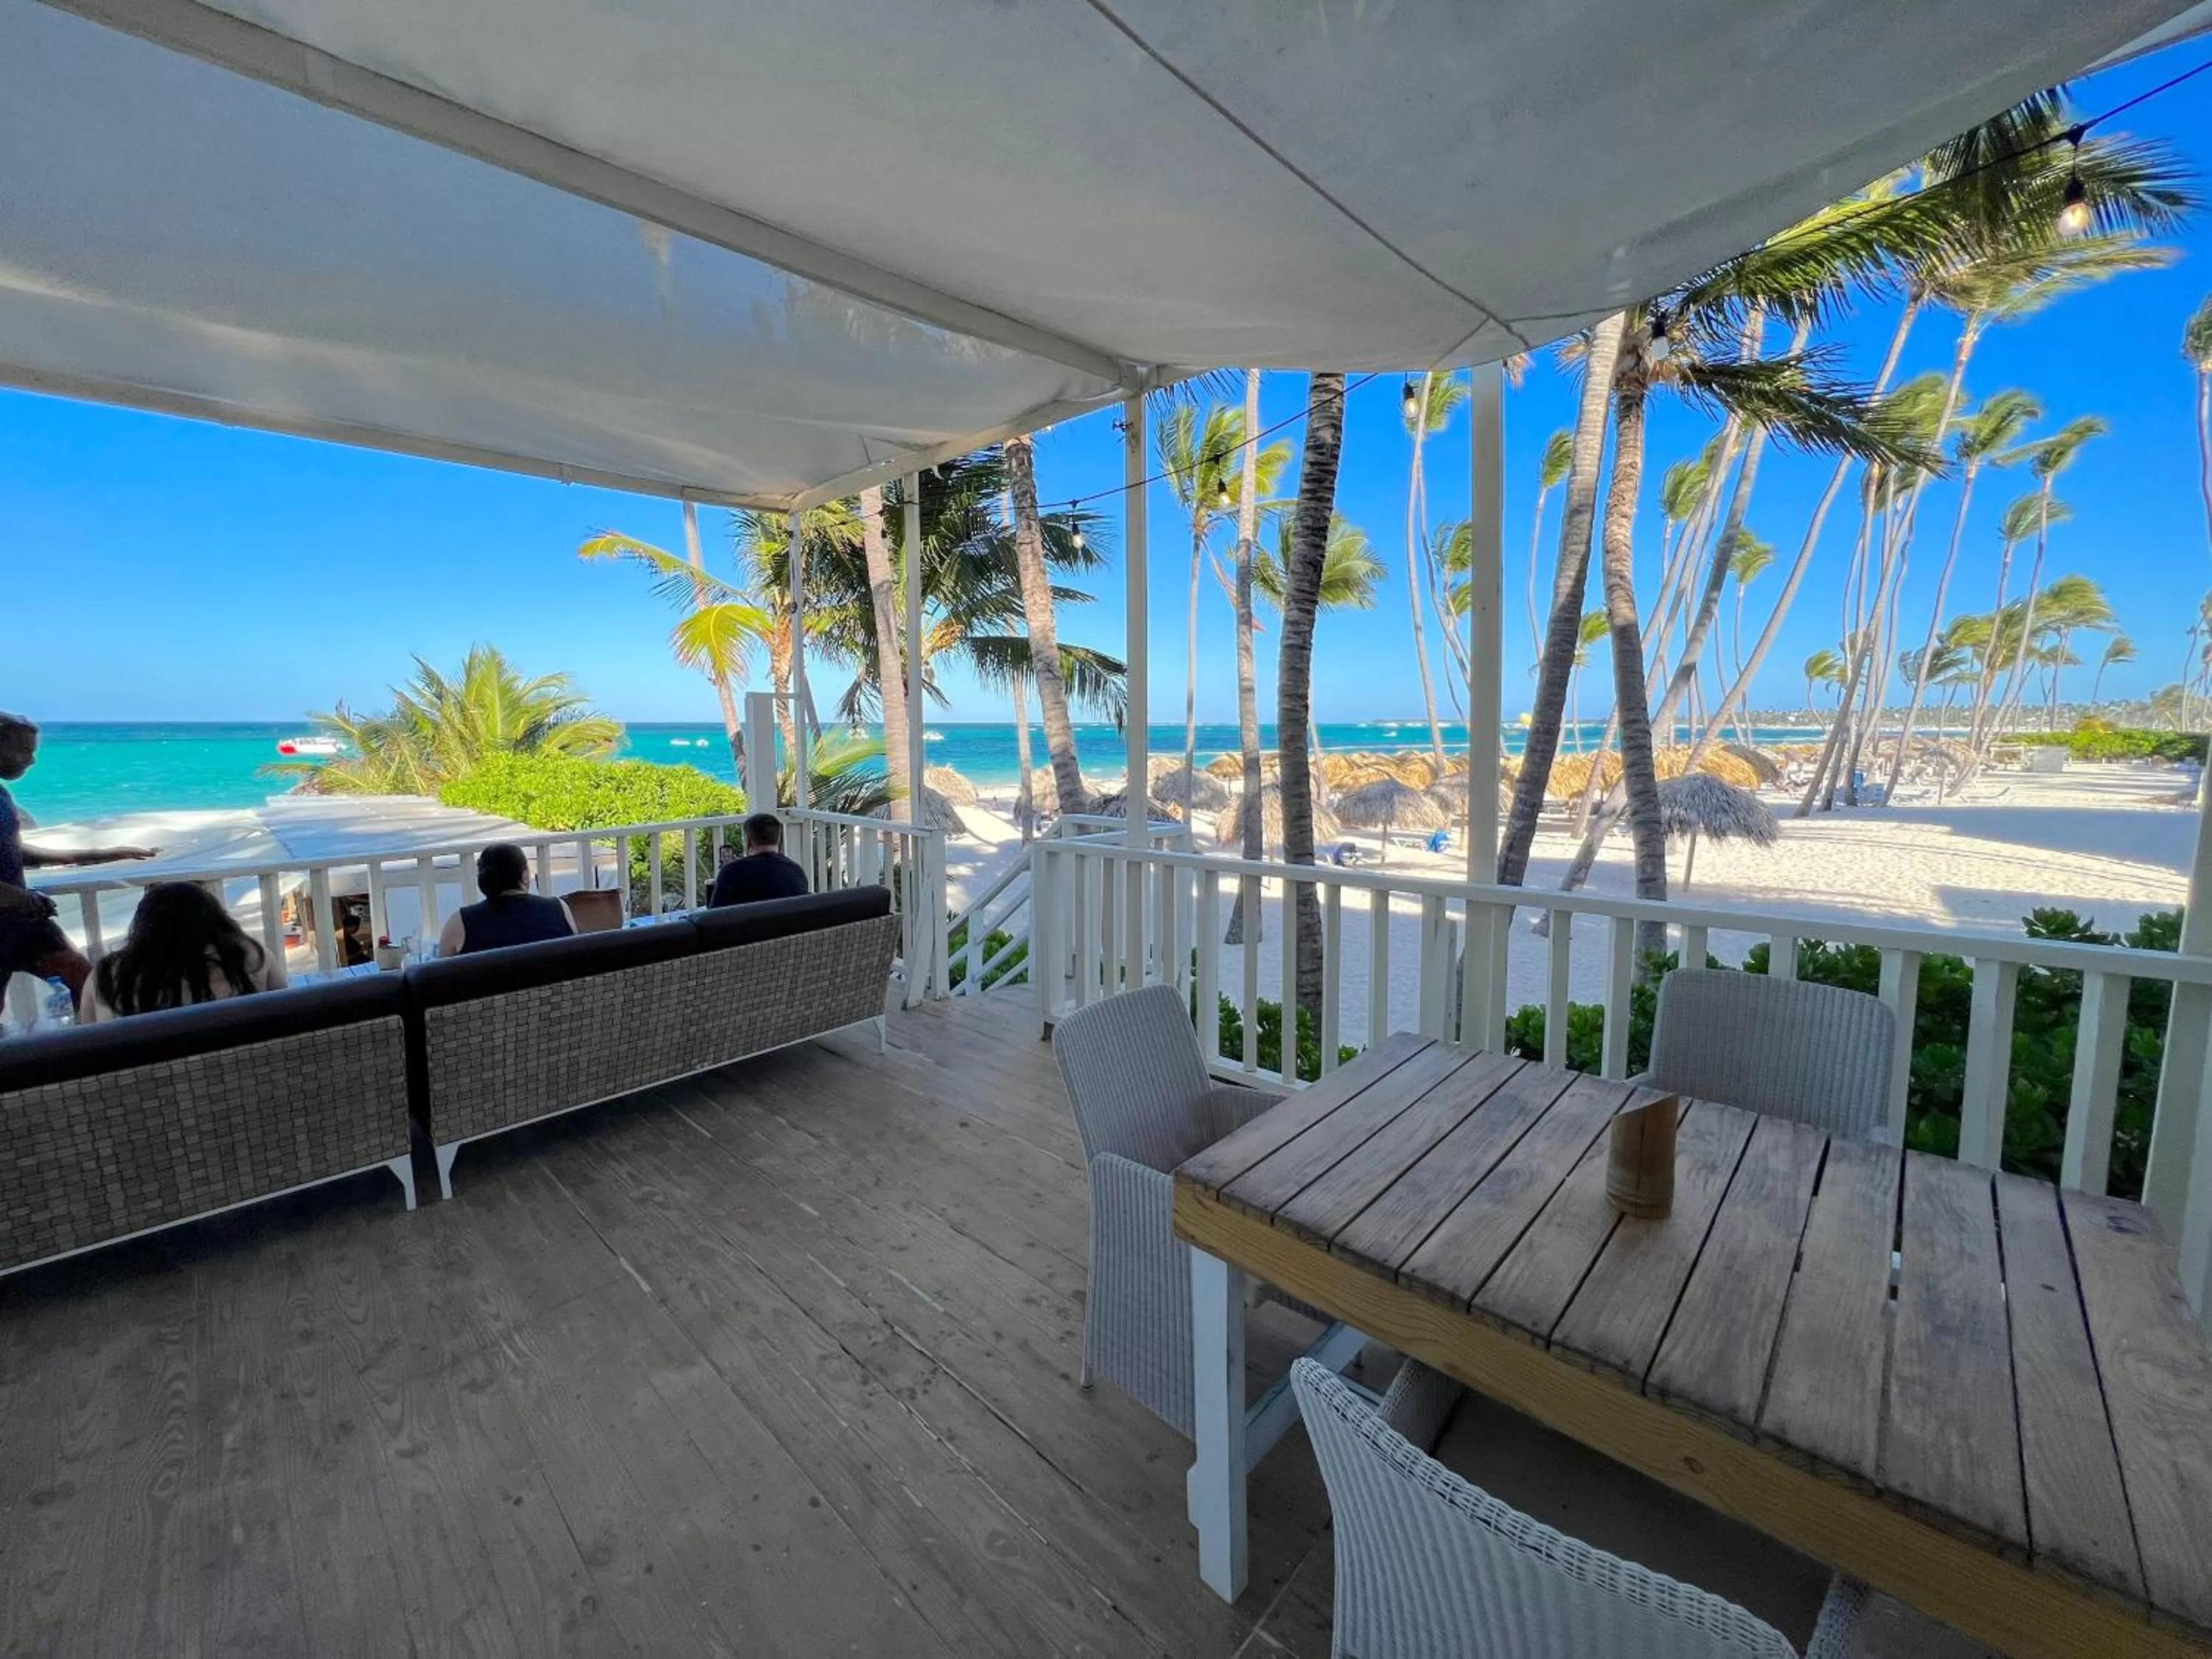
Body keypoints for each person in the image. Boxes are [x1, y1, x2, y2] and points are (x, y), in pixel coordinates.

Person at [1, 712, 156, 1000]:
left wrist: (99, 854)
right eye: (23, 750)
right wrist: (25, 899)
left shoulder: (2, 795)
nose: (31, 760)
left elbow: (12, 853)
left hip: (20, 923)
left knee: (86, 985)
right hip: (18, 912)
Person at [83, 881, 288, 1023]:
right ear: (214, 919)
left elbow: (87, 1035)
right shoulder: (249, 956)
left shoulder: (106, 974)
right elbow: (285, 1009)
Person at [438, 843, 577, 956]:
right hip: (552, 990)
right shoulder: (559, 909)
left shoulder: (460, 923)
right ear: (524, 876)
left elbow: (437, 978)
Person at [706, 813, 809, 907]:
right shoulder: (796, 871)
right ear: (779, 841)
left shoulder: (730, 873)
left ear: (748, 842)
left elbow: (713, 919)